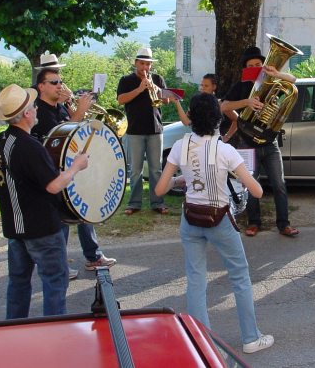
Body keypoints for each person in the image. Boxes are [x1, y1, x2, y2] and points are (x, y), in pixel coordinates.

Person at [156, 93, 274, 354]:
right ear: (217, 118)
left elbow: (160, 188)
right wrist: (243, 175)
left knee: (195, 280)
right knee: (240, 276)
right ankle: (251, 338)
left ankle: (202, 343)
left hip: (191, 219)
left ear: (192, 118)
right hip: (219, 218)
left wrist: (180, 179)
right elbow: (257, 192)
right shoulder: (225, 150)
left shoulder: (180, 145)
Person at [0, 84, 90, 318]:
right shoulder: (30, 146)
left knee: (18, 282)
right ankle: (54, 331)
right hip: (42, 227)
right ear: (26, 114)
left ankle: (14, 327)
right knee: (55, 281)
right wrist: (76, 166)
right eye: (33, 107)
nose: (36, 109)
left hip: (15, 227)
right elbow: (54, 185)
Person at [31, 54, 117, 280]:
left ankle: (93, 255)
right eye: (55, 82)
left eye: (60, 80)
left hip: (69, 166)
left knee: (83, 209)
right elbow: (65, 133)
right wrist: (79, 111)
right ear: (41, 86)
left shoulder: (58, 105)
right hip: (52, 169)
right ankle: (58, 264)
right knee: (62, 218)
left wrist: (72, 105)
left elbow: (76, 125)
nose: (61, 85)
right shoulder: (39, 110)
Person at [221, 46, 299, 237]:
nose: (255, 67)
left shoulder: (273, 82)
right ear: (245, 68)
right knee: (250, 183)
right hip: (248, 143)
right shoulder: (240, 86)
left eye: (258, 64)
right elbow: (224, 106)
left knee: (279, 184)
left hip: (269, 142)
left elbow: (294, 82)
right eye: (251, 65)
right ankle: (253, 222)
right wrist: (246, 103)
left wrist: (276, 73)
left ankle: (284, 224)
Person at [117, 46, 170, 215]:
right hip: (134, 130)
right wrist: (140, 89)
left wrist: (156, 90)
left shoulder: (158, 79)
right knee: (135, 170)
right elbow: (120, 100)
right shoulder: (126, 80)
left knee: (156, 169)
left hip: (155, 129)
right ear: (135, 63)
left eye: (148, 64)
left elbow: (167, 100)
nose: (145, 68)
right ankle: (134, 203)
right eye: (142, 64)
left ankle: (157, 202)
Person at [175, 73, 238, 142]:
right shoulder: (196, 103)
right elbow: (186, 122)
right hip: (196, 142)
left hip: (214, 144)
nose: (203, 88)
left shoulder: (220, 104)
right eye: (202, 85)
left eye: (206, 86)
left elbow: (237, 120)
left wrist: (227, 136)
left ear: (214, 87)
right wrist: (177, 102)